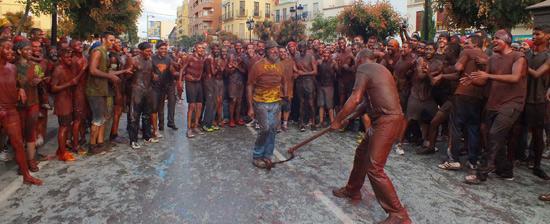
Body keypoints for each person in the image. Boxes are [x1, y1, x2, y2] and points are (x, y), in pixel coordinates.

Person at [331, 49, 411, 224]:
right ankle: (353, 189)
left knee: (375, 167)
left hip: (386, 120)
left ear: (360, 59)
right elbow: (367, 103)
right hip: (382, 120)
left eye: (355, 62)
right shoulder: (380, 69)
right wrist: (348, 118)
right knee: (361, 154)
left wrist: (337, 120)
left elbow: (355, 98)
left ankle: (398, 214)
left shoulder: (364, 68)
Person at [465, 29, 527, 184]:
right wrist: (473, 80)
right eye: (493, 38)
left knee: (494, 134)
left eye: (496, 38)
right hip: (494, 103)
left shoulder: (519, 57)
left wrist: (488, 76)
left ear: (507, 40)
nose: (493, 41)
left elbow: (515, 77)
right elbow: (484, 80)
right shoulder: (492, 59)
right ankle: (506, 171)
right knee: (491, 136)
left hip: (512, 103)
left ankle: (482, 173)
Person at [0, 38, 42, 185]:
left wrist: (20, 89)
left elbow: (15, 84)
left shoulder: (12, 68)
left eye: (11, 48)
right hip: (2, 109)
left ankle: (26, 176)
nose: (10, 51)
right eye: (6, 48)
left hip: (11, 110)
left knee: (18, 142)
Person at [86, 32, 130, 154]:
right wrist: (110, 77)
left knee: (103, 118)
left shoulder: (105, 53)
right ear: (103, 39)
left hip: (103, 90)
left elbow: (108, 73)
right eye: (110, 40)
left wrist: (124, 71)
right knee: (97, 119)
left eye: (113, 40)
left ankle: (100, 143)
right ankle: (92, 145)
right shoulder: (98, 51)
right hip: (95, 90)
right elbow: (92, 70)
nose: (112, 42)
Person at [247, 41, 286, 169]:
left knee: (273, 129)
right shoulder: (258, 66)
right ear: (267, 51)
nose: (275, 52)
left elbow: (283, 82)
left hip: (275, 102)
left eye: (277, 50)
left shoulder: (280, 65)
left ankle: (267, 155)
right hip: (261, 102)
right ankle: (257, 156)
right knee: (265, 129)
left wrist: (284, 97)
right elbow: (249, 85)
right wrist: (250, 107)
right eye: (273, 50)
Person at [14, 39, 41, 172]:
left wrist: (39, 81)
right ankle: (22, 162)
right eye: (27, 49)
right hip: (18, 105)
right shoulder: (13, 66)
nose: (30, 51)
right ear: (19, 51)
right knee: (19, 133)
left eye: (30, 49)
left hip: (33, 101)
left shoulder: (35, 65)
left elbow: (41, 79)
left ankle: (31, 160)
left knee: (31, 131)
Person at [127, 42, 159, 149]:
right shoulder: (133, 60)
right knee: (134, 116)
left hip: (148, 90)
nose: (150, 53)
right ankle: (133, 140)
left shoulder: (150, 60)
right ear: (141, 51)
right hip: (137, 90)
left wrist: (154, 76)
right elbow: (126, 75)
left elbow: (154, 73)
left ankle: (147, 136)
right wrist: (131, 71)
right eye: (147, 51)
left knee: (147, 115)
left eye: (150, 51)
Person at [50, 48, 80, 161]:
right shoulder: (58, 69)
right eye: (67, 57)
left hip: (68, 100)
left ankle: (61, 149)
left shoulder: (68, 68)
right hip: (62, 102)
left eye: (70, 57)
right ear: (61, 58)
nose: (70, 59)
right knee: (63, 128)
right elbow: (53, 88)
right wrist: (69, 83)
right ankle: (62, 153)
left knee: (67, 127)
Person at [179, 43, 206, 138]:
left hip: (198, 83)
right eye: (199, 48)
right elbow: (182, 69)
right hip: (190, 83)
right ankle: (189, 128)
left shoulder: (203, 58)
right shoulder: (190, 57)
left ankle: (195, 126)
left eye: (202, 48)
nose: (201, 49)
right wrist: (180, 82)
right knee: (191, 106)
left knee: (199, 105)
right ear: (195, 48)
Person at [154, 41, 179, 132]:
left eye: (165, 49)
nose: (164, 50)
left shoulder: (169, 59)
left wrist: (178, 72)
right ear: (157, 49)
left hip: (170, 83)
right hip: (159, 85)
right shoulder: (153, 59)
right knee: (160, 105)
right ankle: (161, 124)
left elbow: (173, 70)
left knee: (172, 103)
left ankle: (171, 122)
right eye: (161, 49)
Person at [70, 40, 89, 155]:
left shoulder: (84, 58)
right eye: (77, 45)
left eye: (80, 44)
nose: (80, 46)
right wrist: (83, 70)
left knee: (82, 118)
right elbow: (74, 80)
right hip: (78, 91)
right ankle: (75, 144)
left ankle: (82, 139)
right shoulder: (74, 60)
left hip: (85, 90)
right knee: (77, 119)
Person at [294, 41, 318, 131]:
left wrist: (303, 73)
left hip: (309, 81)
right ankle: (301, 123)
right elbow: (294, 66)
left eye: (303, 47)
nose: (302, 50)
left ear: (306, 48)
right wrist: (296, 71)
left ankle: (313, 122)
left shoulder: (310, 57)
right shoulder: (296, 57)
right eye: (300, 48)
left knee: (311, 103)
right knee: (301, 103)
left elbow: (315, 71)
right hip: (300, 82)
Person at [317, 49, 337, 127]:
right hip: (321, 85)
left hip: (329, 86)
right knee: (321, 104)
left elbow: (338, 73)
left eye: (327, 53)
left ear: (330, 54)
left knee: (329, 105)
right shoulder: (320, 62)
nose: (326, 54)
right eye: (324, 53)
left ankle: (332, 122)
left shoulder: (332, 63)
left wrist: (336, 65)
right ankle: (321, 121)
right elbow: (317, 73)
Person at [279, 45, 296, 131]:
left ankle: (285, 124)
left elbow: (296, 71)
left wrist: (295, 75)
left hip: (289, 88)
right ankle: (278, 125)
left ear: (286, 53)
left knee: (287, 107)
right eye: (280, 52)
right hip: (278, 89)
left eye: (284, 52)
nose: (282, 53)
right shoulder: (276, 62)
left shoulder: (291, 61)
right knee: (278, 108)